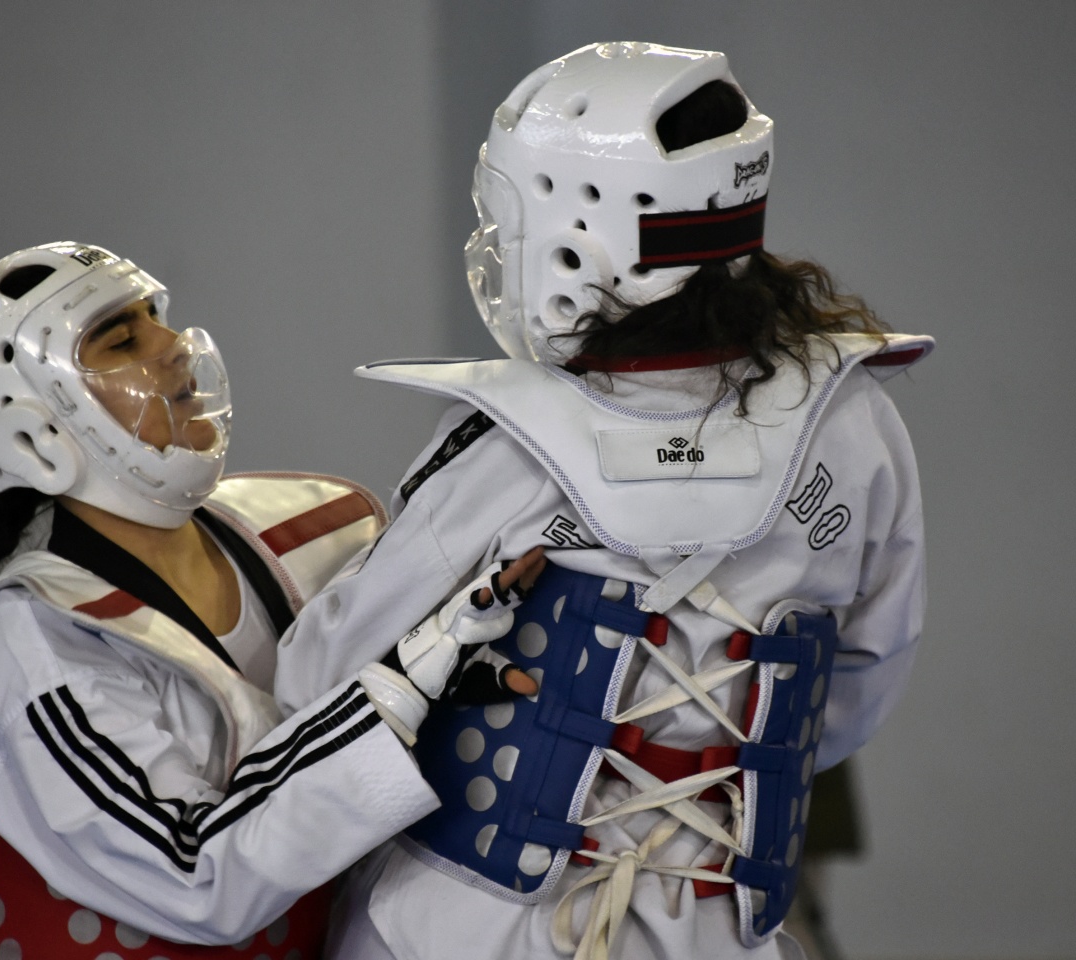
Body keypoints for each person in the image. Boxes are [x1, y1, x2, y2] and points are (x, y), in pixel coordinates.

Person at [274, 42, 930, 960]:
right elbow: (858, 679)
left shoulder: (507, 446)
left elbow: (321, 681)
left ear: (586, 233)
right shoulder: (853, 418)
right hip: (724, 934)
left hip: (467, 929)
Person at [0, 241, 541, 960]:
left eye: (157, 318)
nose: (174, 348)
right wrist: (402, 684)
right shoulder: (43, 647)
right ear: (32, 434)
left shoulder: (321, 523)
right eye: (121, 340)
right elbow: (199, 872)